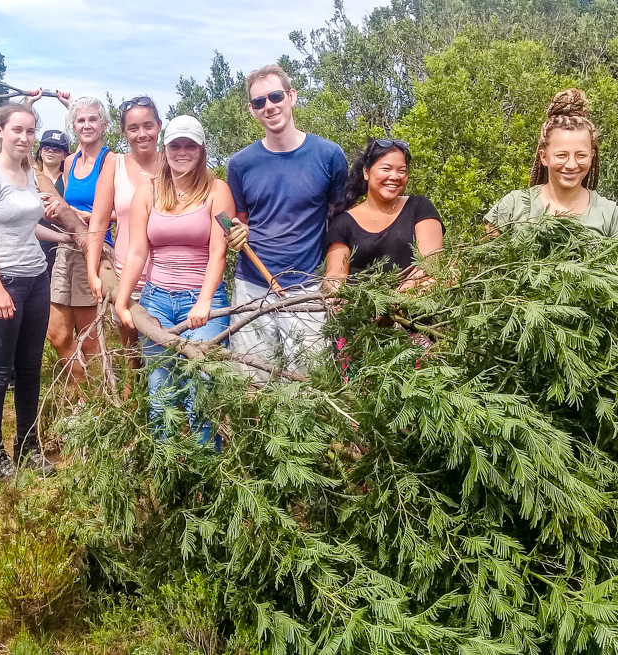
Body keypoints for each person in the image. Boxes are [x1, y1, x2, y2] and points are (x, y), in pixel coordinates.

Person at [0, 103, 76, 482]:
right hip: (3, 284)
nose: (25, 138)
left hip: (35, 280)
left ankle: (27, 446)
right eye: (17, 130)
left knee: (29, 369)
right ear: (0, 130)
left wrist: (64, 236)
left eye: (30, 131)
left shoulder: (29, 173)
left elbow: (28, 227)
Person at [115, 115, 233, 445]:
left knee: (201, 393)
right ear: (165, 149)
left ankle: (207, 477)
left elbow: (218, 254)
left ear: (201, 149)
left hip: (202, 300)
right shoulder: (147, 193)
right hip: (156, 301)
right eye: (176, 145)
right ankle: (168, 476)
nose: (183, 152)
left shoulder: (217, 191)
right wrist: (122, 301)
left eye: (190, 145)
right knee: (160, 394)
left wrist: (205, 300)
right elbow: (137, 251)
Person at [225, 64, 348, 380]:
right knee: (252, 383)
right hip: (251, 287)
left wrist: (334, 280)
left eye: (275, 96)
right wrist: (239, 234)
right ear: (252, 111)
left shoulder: (329, 155)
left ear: (291, 96)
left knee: (309, 388)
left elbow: (340, 222)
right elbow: (242, 221)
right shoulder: (240, 164)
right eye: (259, 102)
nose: (269, 106)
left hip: (306, 288)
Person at [485, 88, 618, 238]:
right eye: (562, 155)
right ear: (544, 157)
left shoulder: (609, 214)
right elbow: (483, 256)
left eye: (581, 155)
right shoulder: (513, 205)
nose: (572, 165)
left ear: (592, 156)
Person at [47, 96, 115, 387]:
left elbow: (123, 209)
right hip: (66, 247)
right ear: (73, 126)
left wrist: (91, 216)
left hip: (96, 248)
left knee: (89, 337)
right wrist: (57, 212)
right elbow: (64, 204)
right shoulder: (69, 161)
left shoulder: (111, 160)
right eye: (80, 120)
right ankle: (84, 393)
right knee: (58, 334)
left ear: (104, 124)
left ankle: (98, 405)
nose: (87, 125)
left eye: (92, 119)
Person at [88, 95, 161, 351]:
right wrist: (92, 271)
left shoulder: (175, 164)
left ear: (159, 126)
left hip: (165, 282)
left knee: (165, 356)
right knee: (132, 357)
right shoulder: (114, 164)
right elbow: (98, 221)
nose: (142, 134)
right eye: (133, 128)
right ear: (124, 132)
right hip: (126, 278)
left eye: (148, 126)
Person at [325, 138, 444, 291]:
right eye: (386, 169)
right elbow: (335, 277)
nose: (394, 176)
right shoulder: (343, 223)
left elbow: (429, 266)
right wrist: (344, 301)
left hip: (413, 307)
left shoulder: (420, 208)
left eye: (402, 171)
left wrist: (393, 302)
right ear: (366, 172)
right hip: (359, 311)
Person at [32, 128, 71, 274]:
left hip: (61, 244)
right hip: (33, 243)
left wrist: (71, 109)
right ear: (40, 151)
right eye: (46, 147)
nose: (50, 151)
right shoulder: (30, 176)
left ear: (64, 155)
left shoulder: (67, 178)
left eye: (57, 149)